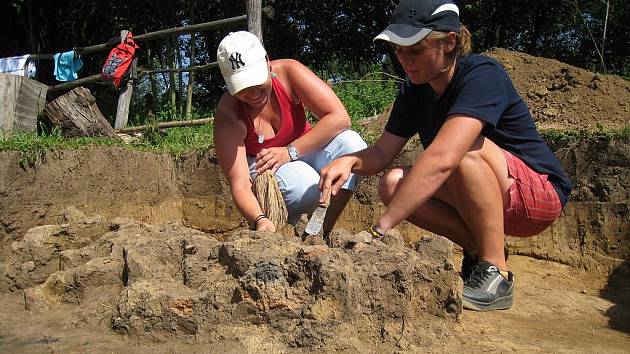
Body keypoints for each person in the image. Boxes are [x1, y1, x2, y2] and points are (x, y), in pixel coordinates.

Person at [319, 0, 572, 311]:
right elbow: (383, 152)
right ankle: (478, 252)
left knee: (461, 150)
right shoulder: (414, 91)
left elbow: (443, 159)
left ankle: (497, 273)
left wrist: (379, 230)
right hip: (483, 193)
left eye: (414, 49)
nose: (405, 60)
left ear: (449, 42)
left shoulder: (482, 74)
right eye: (398, 49)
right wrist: (352, 161)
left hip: (536, 195)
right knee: (392, 184)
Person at [214, 31, 367, 234]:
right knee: (304, 184)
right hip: (265, 168)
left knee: (353, 146)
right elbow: (240, 184)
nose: (252, 94)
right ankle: (281, 225)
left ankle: (320, 232)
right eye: (243, 87)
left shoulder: (289, 72)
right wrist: (259, 220)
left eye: (256, 81)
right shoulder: (229, 114)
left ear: (267, 63)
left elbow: (340, 117)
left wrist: (289, 152)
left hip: (301, 149)